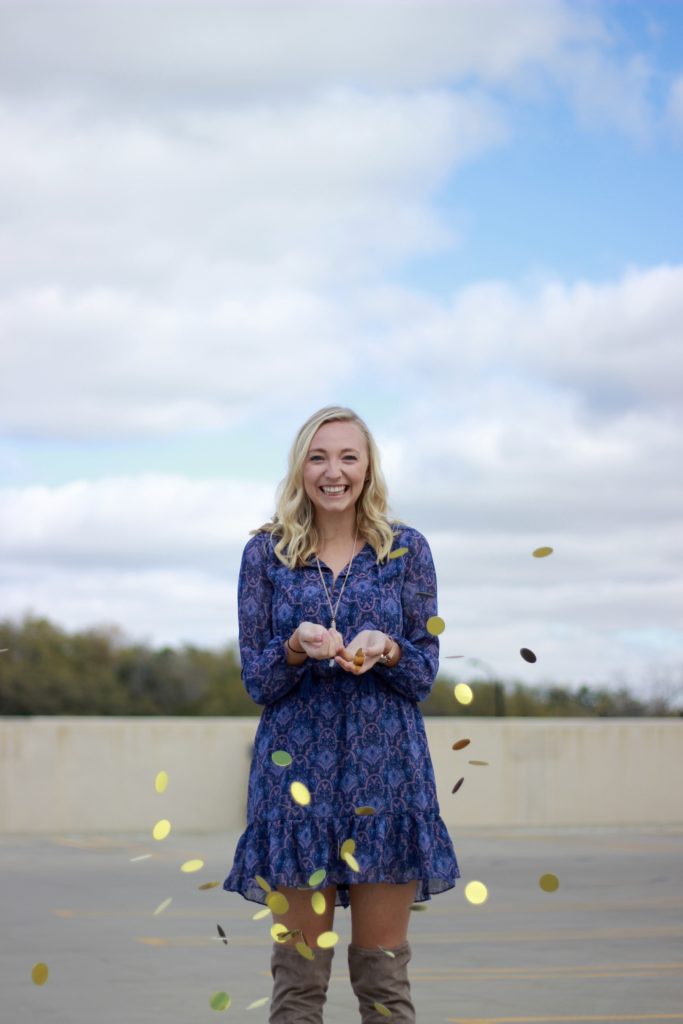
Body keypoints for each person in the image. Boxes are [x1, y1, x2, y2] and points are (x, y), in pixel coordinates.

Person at [223, 405, 459, 1023]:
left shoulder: (408, 550)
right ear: (301, 467)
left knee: (384, 983)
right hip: (296, 783)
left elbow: (423, 674)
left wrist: (389, 647)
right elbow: (258, 680)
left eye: (348, 456)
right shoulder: (264, 554)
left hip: (386, 780)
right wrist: (297, 647)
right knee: (299, 985)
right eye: (319, 456)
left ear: (368, 468)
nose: (333, 471)